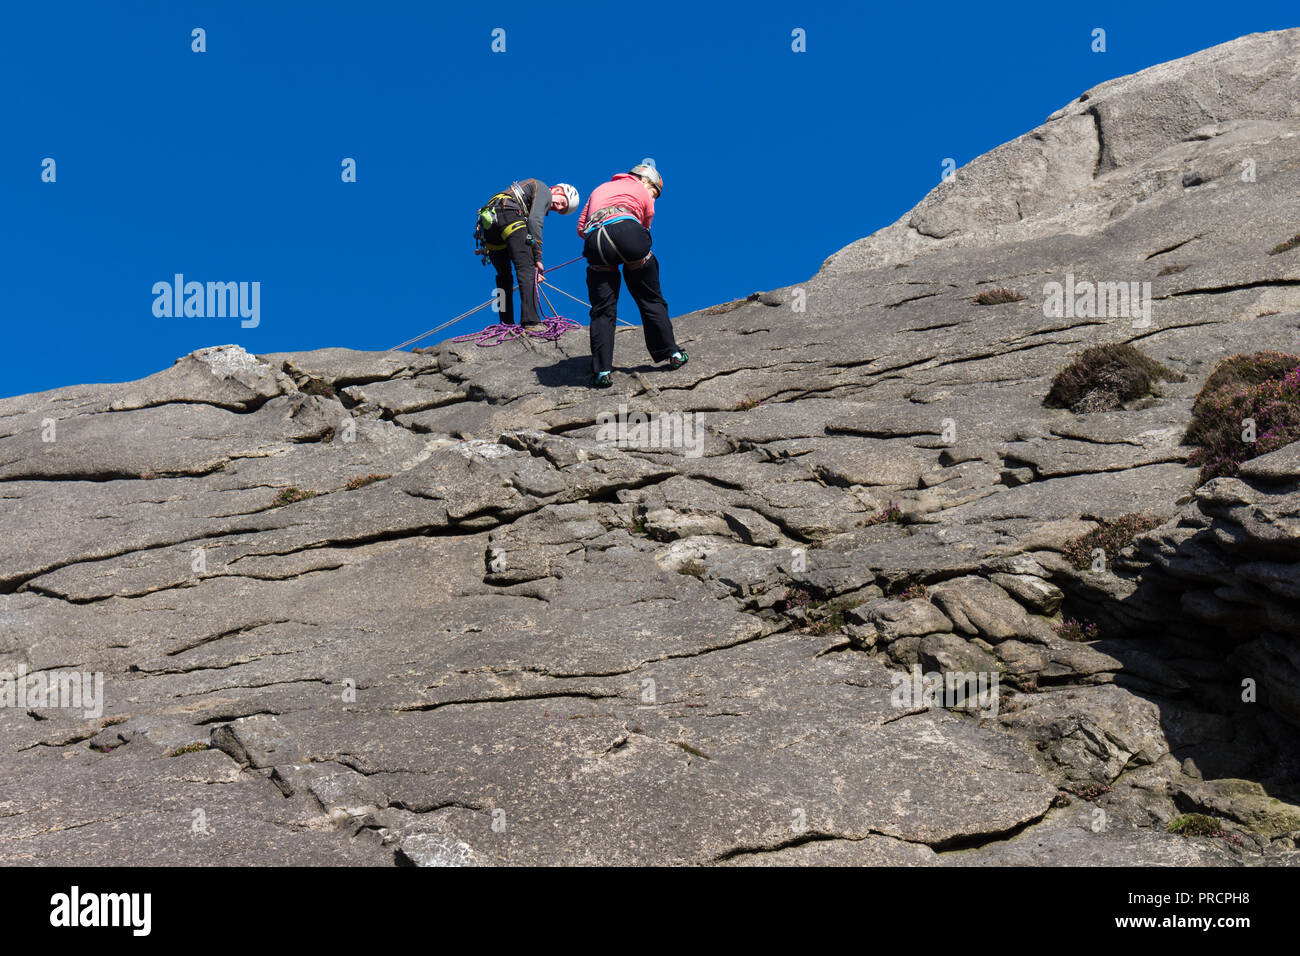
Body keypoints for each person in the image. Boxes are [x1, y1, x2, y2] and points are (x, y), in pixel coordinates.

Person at [576, 164, 687, 388]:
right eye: (654, 192)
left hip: (596, 239)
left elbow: (581, 227)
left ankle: (602, 371)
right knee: (650, 297)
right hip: (629, 231)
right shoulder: (641, 189)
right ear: (646, 181)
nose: (653, 196)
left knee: (602, 310)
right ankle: (672, 353)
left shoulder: (600, 188)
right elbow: (646, 224)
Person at [476, 180, 579, 326]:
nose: (558, 207)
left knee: (503, 277)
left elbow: (527, 234)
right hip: (509, 215)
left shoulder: (527, 193)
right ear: (556, 190)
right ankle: (530, 320)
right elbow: (534, 221)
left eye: (561, 210)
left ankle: (505, 323)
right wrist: (538, 259)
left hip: (489, 223)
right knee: (526, 269)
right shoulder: (543, 189)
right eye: (562, 202)